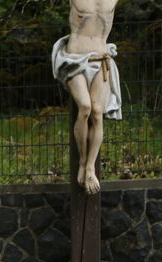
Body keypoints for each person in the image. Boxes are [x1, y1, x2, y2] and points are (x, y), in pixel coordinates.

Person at [52, 0, 122, 194]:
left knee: (97, 112)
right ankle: (82, 161)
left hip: (101, 59)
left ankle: (90, 167)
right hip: (75, 60)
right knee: (85, 107)